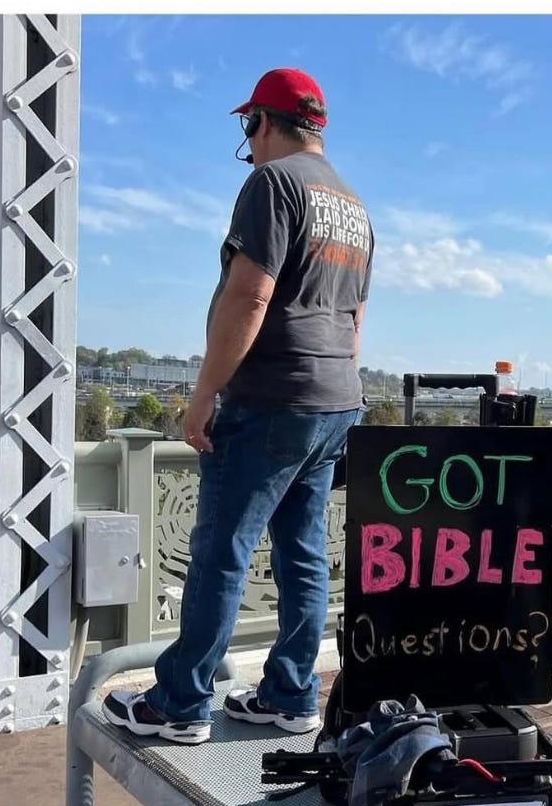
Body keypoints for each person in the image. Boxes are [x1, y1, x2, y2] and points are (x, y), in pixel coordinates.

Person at [104, 69, 373, 742]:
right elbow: (354, 318)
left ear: (263, 121)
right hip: (334, 401)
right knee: (302, 551)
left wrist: (203, 395)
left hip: (271, 399)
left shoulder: (272, 184)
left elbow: (250, 295)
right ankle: (292, 694)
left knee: (221, 549)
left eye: (248, 127)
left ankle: (179, 703)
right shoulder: (354, 207)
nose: (247, 144)